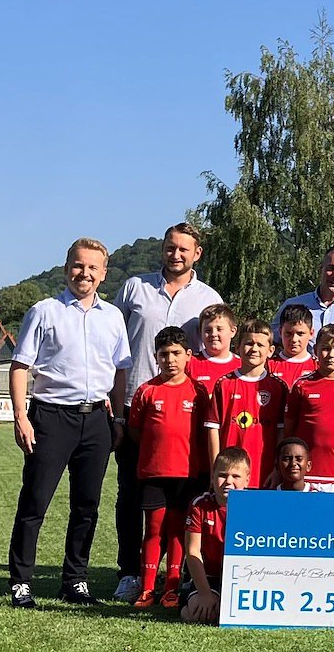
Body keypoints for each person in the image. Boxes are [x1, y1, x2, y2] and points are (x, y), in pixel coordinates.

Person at [7, 238, 132, 608]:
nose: (85, 273)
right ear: (66, 268)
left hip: (97, 420)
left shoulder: (113, 317)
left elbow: (120, 371)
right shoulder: (44, 311)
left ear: (104, 274)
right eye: (78, 265)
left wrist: (118, 418)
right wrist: (20, 416)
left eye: (93, 267)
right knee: (35, 502)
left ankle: (75, 581)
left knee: (87, 506)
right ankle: (21, 582)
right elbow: (19, 366)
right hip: (50, 417)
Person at [112, 223, 222, 602]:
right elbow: (114, 341)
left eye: (183, 249)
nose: (176, 254)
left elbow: (214, 348)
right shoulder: (134, 287)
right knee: (131, 496)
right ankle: (131, 573)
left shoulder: (208, 297)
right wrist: (117, 412)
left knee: (181, 508)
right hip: (135, 402)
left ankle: (181, 578)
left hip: (185, 413)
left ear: (197, 253)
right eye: (170, 247)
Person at [127, 327, 209, 608]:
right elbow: (136, 430)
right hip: (153, 473)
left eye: (176, 353)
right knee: (153, 529)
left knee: (177, 530)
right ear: (156, 357)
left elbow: (204, 431)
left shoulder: (198, 392)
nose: (170, 360)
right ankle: (147, 588)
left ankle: (172, 588)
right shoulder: (146, 391)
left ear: (188, 355)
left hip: (186, 473)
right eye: (164, 354)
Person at [204, 320, 289, 488]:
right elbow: (213, 430)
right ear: (238, 348)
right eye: (249, 343)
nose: (254, 349)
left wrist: (277, 469)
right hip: (229, 477)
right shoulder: (224, 384)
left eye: (260, 345)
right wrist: (215, 471)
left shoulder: (279, 387)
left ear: (271, 350)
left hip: (265, 474)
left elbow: (282, 433)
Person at [283, 324, 334, 492]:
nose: (331, 355)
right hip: (304, 472)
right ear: (315, 351)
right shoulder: (302, 384)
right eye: (326, 349)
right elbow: (289, 428)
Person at [179, 446, 250, 624]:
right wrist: (205, 594)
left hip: (242, 578)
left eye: (236, 476)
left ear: (247, 479)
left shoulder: (255, 506)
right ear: (212, 477)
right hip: (208, 577)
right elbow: (192, 551)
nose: (228, 481)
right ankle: (186, 603)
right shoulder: (200, 505)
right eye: (222, 475)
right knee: (200, 613)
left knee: (231, 614)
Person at [185, 304, 239, 394]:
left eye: (219, 329)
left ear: (233, 331)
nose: (213, 334)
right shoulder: (189, 363)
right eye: (208, 330)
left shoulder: (241, 365)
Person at [268, 304, 318, 388]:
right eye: (288, 333)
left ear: (311, 333)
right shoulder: (268, 366)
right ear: (280, 332)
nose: (294, 339)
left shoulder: (318, 367)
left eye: (300, 333)